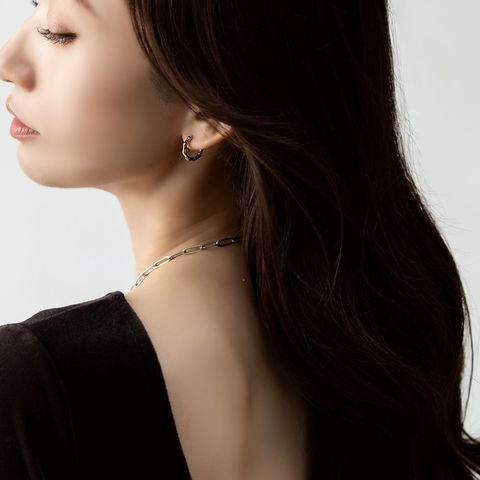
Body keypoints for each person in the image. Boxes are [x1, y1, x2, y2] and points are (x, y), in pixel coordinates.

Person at [0, 0, 479, 479]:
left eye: (59, 32)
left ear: (206, 113)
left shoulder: (32, 385)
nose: (8, 61)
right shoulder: (377, 347)